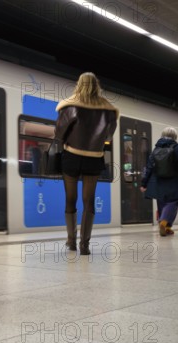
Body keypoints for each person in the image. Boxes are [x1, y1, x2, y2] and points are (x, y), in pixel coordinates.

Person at [54, 72, 119, 255]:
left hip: (72, 157)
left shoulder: (71, 107)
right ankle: (85, 245)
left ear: (79, 84)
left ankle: (71, 241)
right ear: (96, 86)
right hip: (94, 158)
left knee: (70, 199)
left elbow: (59, 134)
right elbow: (108, 137)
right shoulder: (108, 111)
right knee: (89, 200)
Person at [140, 127, 178, 236]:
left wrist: (144, 183)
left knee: (162, 203)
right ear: (175, 137)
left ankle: (166, 227)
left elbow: (149, 167)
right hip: (175, 181)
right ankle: (164, 222)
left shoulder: (156, 150)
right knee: (173, 203)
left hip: (158, 182)